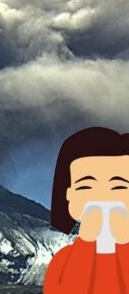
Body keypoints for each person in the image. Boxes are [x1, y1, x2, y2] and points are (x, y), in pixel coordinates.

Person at [45, 126, 129, 293]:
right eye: (86, 186)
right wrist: (86, 246)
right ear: (68, 194)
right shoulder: (62, 261)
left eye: (118, 186)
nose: (102, 196)